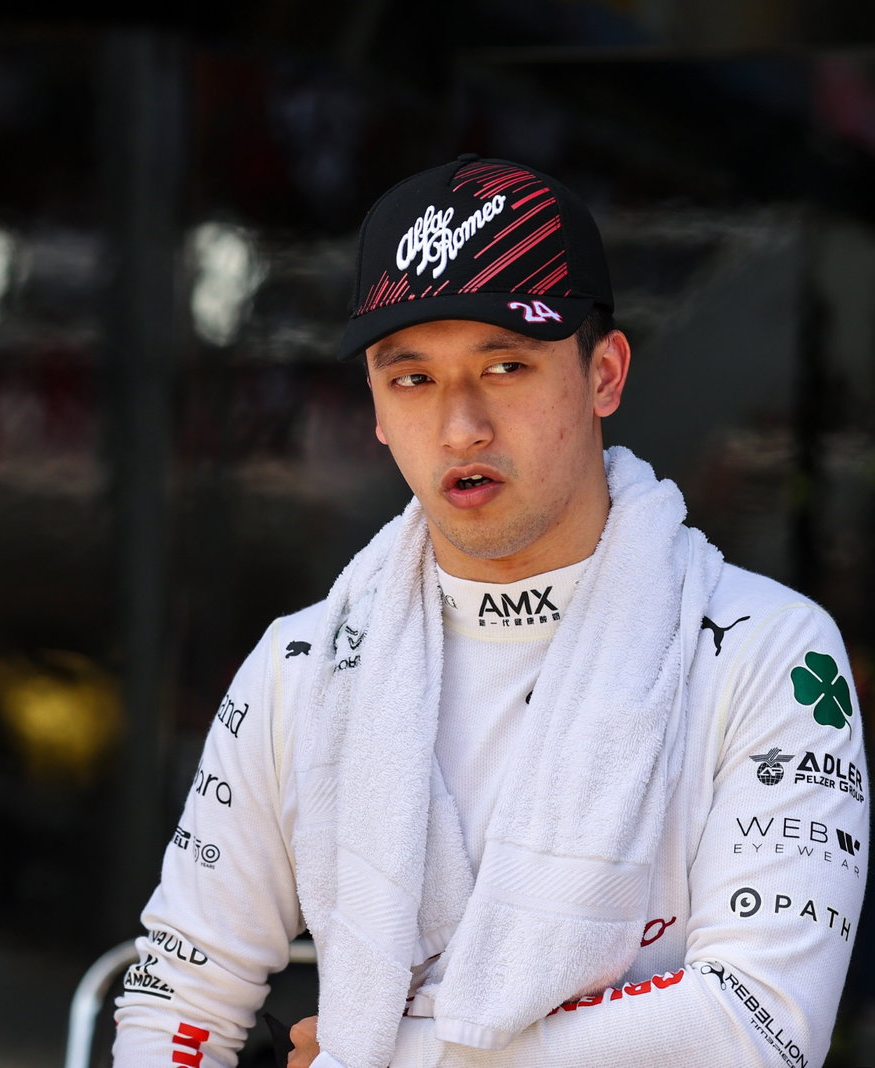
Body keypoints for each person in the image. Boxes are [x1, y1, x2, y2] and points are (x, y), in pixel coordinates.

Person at [111, 155, 865, 1067]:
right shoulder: (298, 668)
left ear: (605, 375)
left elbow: (758, 1026)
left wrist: (393, 1056)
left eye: (505, 365)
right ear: (378, 411)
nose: (461, 426)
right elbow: (181, 996)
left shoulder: (769, 653)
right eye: (413, 378)